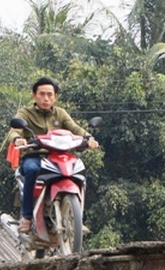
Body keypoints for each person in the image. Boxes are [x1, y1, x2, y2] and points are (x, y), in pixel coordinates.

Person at [7, 76, 99, 234]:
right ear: (34, 95)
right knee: (31, 170)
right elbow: (15, 130)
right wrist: (17, 139)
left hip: (59, 156)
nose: (46, 98)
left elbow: (75, 128)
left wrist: (89, 138)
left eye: (50, 94)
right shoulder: (25, 113)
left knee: (79, 172)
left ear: (55, 97)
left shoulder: (61, 113)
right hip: (35, 156)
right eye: (42, 94)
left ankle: (76, 219)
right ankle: (27, 217)